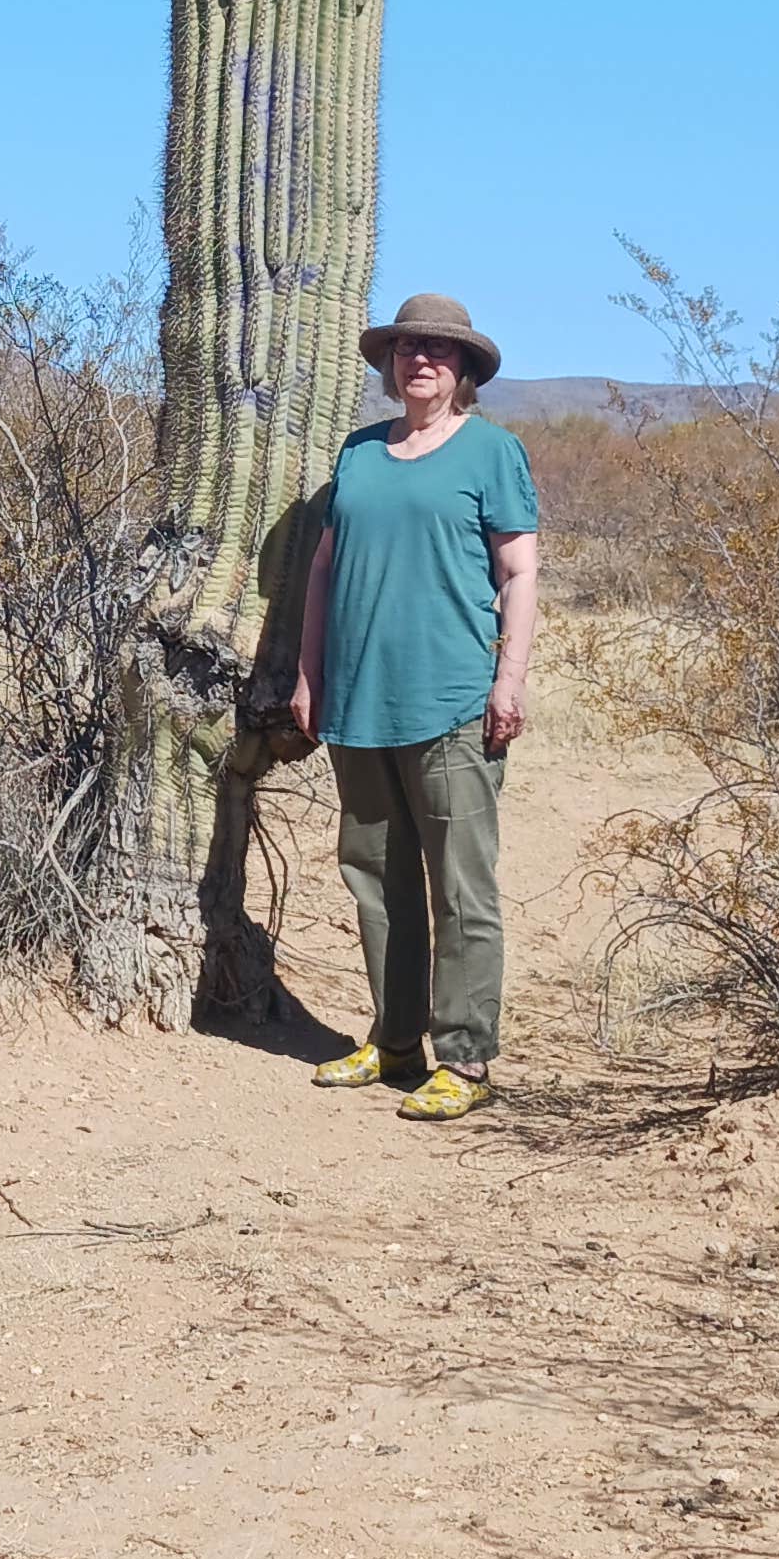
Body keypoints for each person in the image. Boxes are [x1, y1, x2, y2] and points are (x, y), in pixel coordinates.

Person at [288, 292, 540, 1123]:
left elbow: (519, 574)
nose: (419, 359)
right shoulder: (359, 453)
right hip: (359, 700)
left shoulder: (492, 453)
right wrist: (308, 672)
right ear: (391, 365)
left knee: (460, 888)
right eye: (406, 348)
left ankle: (464, 1058)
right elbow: (324, 570)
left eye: (437, 349)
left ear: (464, 368)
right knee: (375, 879)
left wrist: (510, 680)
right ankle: (395, 1042)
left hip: (452, 701)